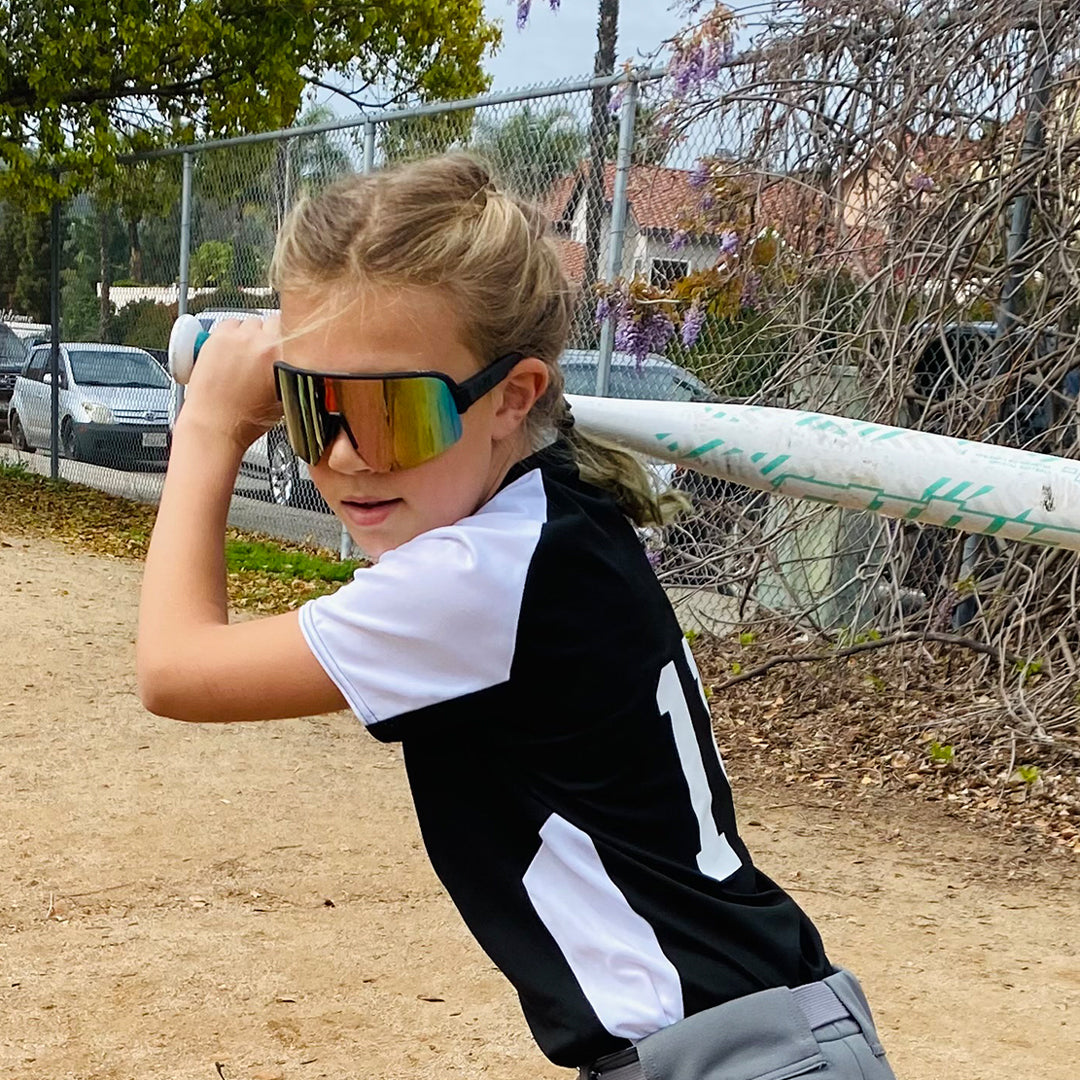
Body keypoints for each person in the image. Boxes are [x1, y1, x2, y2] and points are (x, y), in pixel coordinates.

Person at [137, 154, 897, 1080]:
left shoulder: (479, 577)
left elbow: (173, 669)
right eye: (310, 405)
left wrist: (212, 424)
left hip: (734, 1058)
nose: (344, 456)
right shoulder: (553, 508)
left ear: (514, 398)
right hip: (751, 1042)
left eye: (392, 414)